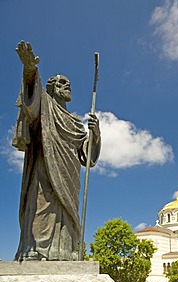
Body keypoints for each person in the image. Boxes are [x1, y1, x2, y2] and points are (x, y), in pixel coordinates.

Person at [13, 41, 101, 261]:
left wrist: (96, 134)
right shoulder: (45, 105)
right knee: (43, 204)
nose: (66, 85)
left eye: (68, 83)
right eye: (61, 82)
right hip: (45, 167)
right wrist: (30, 69)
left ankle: (64, 252)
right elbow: (32, 94)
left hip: (70, 175)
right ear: (52, 88)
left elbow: (87, 158)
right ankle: (36, 250)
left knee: (65, 212)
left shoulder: (75, 122)